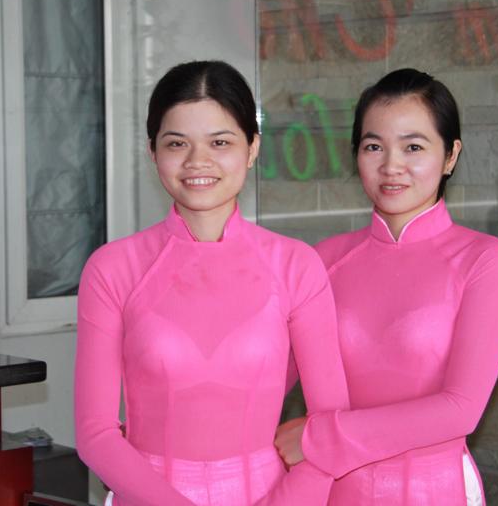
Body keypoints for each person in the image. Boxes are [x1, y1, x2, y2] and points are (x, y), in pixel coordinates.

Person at [75, 60, 349, 506]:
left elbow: (332, 425)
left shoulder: (297, 265)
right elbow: (96, 435)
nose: (196, 162)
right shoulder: (113, 269)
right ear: (152, 151)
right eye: (176, 143)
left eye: (220, 142)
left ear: (252, 147)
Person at [274, 68, 498, 505]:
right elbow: (268, 379)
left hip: (435, 491)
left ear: (450, 155)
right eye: (374, 146)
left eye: (413, 147)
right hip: (331, 493)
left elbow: (459, 409)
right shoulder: (324, 260)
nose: (391, 166)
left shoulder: (484, 261)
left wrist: (319, 438)